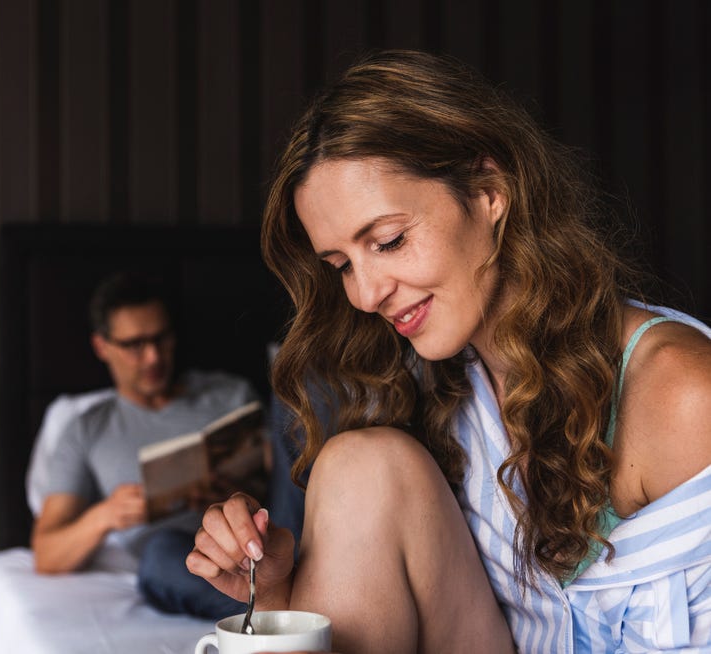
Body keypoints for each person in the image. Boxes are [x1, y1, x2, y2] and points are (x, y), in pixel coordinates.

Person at [186, 49, 711, 653]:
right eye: (340, 266)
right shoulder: (440, 387)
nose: (365, 294)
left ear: (489, 192)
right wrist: (276, 595)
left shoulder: (679, 392)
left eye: (388, 240)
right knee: (358, 465)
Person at [30, 271, 254, 619]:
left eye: (161, 339)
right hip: (180, 555)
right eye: (135, 345)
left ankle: (281, 606)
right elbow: (46, 554)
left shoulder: (231, 395)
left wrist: (235, 493)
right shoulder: (86, 428)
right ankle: (281, 612)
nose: (153, 357)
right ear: (102, 347)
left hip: (262, 535)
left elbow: (289, 482)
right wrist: (105, 516)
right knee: (161, 551)